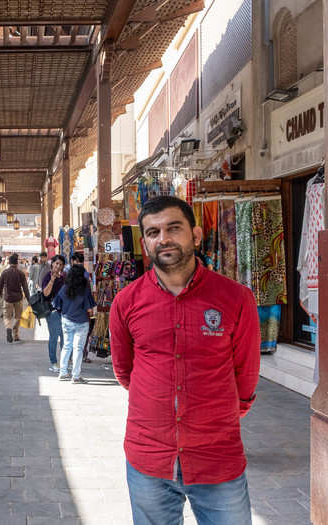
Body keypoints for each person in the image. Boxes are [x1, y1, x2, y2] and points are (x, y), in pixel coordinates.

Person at [109, 196, 260, 525]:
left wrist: (212, 418)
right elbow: (124, 371)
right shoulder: (126, 302)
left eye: (172, 228)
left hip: (216, 457)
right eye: (152, 232)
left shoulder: (235, 298)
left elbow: (245, 376)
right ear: (145, 242)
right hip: (149, 457)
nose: (162, 238)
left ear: (196, 234)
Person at [52, 264, 95, 384]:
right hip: (81, 322)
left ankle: (63, 373)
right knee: (78, 349)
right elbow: (89, 309)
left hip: (66, 320)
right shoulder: (84, 289)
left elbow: (56, 304)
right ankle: (75, 376)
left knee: (67, 346)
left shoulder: (65, 288)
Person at [0, 253, 30, 343]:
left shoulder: (5, 272)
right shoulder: (20, 273)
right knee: (18, 317)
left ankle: (8, 328)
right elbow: (25, 287)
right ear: (17, 263)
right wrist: (28, 298)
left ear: (9, 262)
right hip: (18, 298)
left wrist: (0, 294)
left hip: (8, 298)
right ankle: (15, 335)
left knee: (7, 317)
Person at [42, 255, 66, 373]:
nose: (58, 266)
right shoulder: (47, 276)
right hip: (52, 312)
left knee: (64, 338)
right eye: (56, 263)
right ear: (52, 264)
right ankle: (53, 362)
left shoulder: (63, 278)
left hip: (64, 311)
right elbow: (45, 294)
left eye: (61, 264)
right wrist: (52, 279)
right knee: (54, 337)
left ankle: (64, 362)